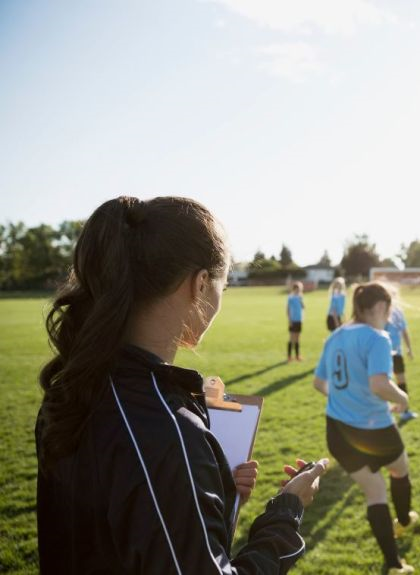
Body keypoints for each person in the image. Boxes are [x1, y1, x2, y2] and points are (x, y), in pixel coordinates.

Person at [36, 196, 328, 574]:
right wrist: (286, 513)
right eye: (222, 285)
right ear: (201, 283)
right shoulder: (165, 430)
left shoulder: (74, 388)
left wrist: (206, 490)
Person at [313, 282, 418, 575]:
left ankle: (394, 564)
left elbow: (319, 384)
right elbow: (380, 384)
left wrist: (346, 399)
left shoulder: (334, 337)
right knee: (400, 469)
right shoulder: (378, 338)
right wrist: (403, 398)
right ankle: (404, 521)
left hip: (337, 432)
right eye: (390, 311)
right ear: (382, 307)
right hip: (375, 430)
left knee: (374, 492)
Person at [384, 285, 416, 421]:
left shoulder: (399, 312)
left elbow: (404, 331)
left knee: (401, 381)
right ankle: (384, 412)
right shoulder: (383, 312)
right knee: (384, 384)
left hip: (397, 353)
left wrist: (409, 348)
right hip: (384, 353)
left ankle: (404, 411)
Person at [286, 282, 305, 361]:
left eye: (299, 290)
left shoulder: (300, 297)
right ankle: (289, 356)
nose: (297, 291)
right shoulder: (290, 297)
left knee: (297, 339)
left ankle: (297, 356)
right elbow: (288, 309)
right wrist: (290, 320)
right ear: (293, 289)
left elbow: (303, 307)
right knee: (291, 338)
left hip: (299, 320)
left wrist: (301, 300)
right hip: (293, 320)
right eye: (296, 289)